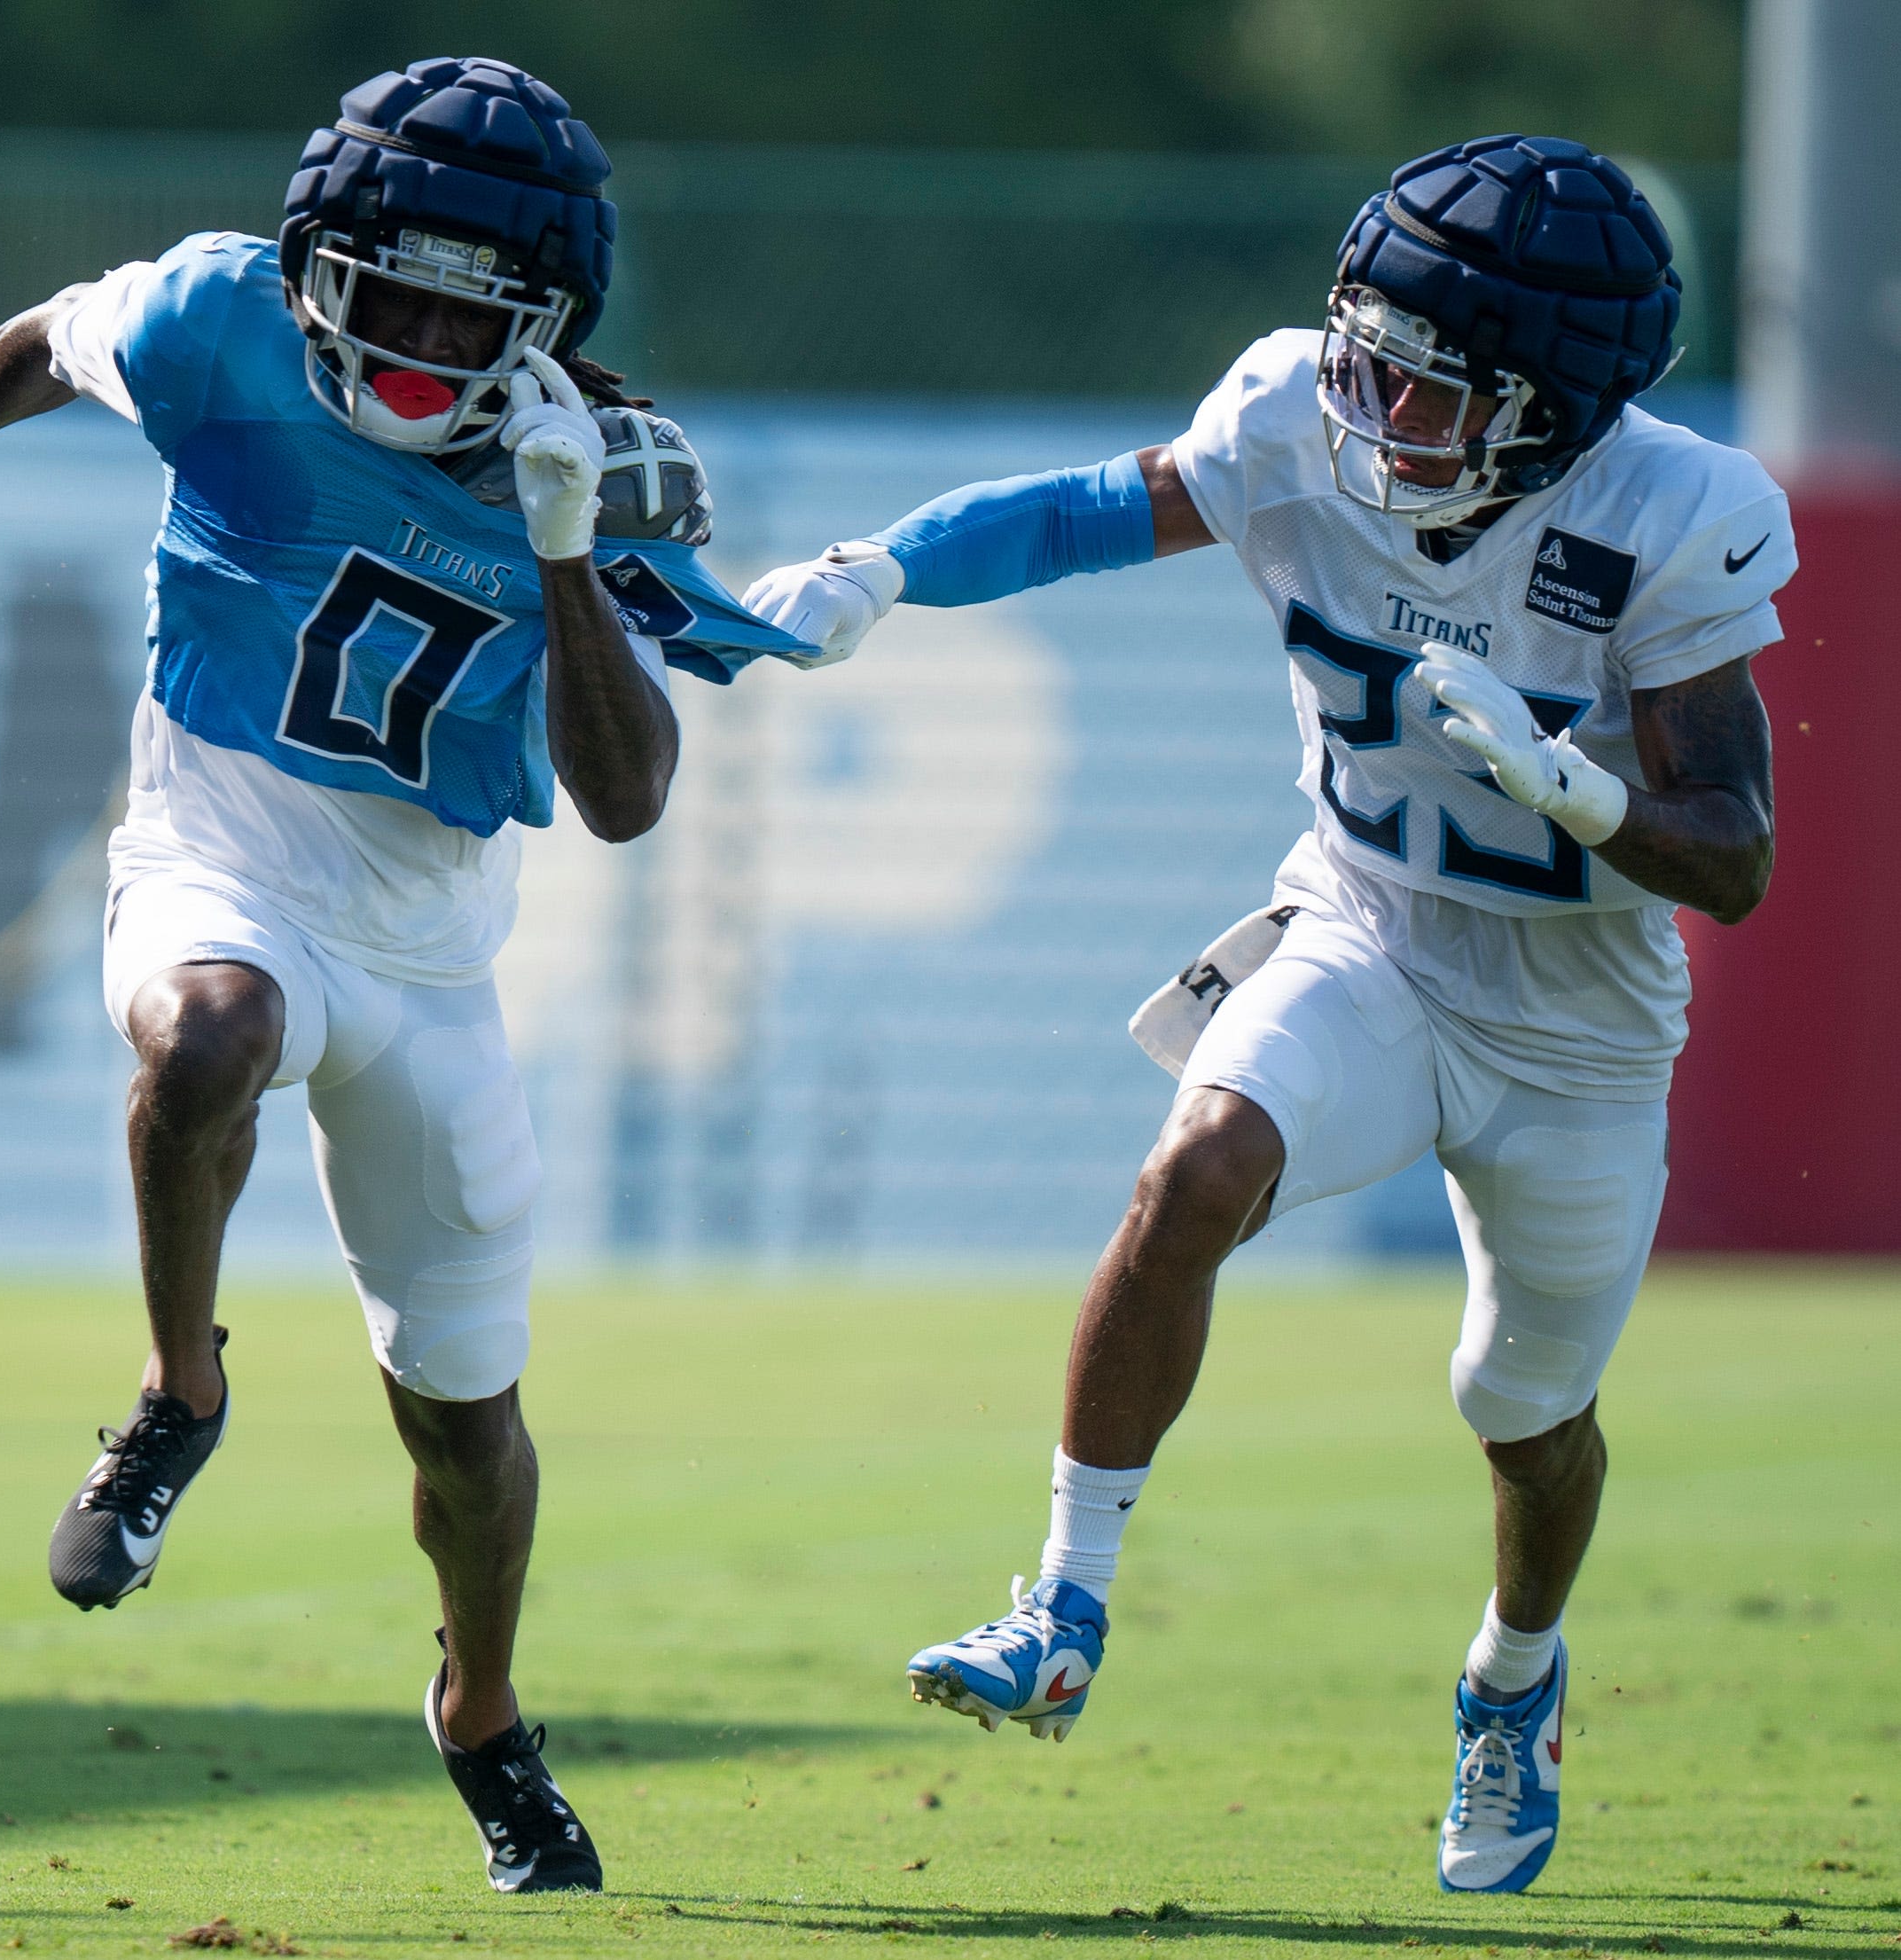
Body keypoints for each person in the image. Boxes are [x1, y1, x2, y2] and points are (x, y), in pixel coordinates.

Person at [741, 135, 1793, 1895]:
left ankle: (1511, 1678)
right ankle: (1059, 1604)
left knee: (1521, 1409)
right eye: (1361, 346)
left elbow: (1738, 855)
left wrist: (1576, 790)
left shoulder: (1667, 514)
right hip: (1370, 929)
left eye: (1424, 381)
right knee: (1192, 1171)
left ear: (1544, 409)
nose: (1365, 395)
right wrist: (876, 573)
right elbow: (1090, 509)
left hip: (1577, 1032)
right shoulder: (1293, 417)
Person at [0, 55, 819, 1894]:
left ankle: (482, 1710)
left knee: (461, 1422)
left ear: (546, 319)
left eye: (480, 306)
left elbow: (625, 799)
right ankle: (179, 1390)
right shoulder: (224, 318)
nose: (432, 334)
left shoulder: (588, 467)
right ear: (319, 260)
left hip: (432, 957)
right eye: (402, 285)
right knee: (210, 1033)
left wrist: (564, 553)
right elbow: (58, 336)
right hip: (212, 850)